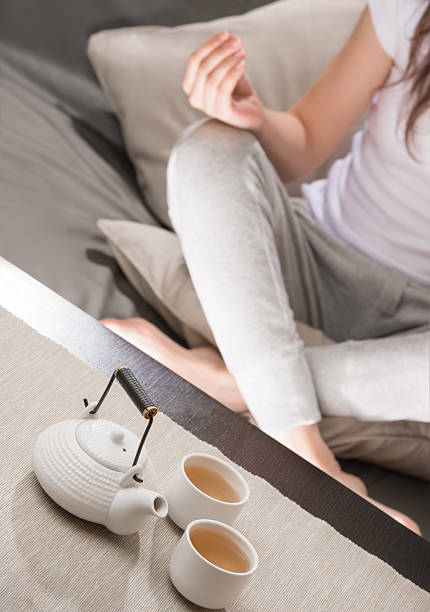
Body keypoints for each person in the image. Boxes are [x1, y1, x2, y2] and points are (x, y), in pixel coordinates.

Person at [102, 0, 430, 533]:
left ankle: (225, 380)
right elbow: (304, 136)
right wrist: (253, 118)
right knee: (210, 147)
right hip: (310, 260)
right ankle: (308, 453)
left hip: (417, 343)